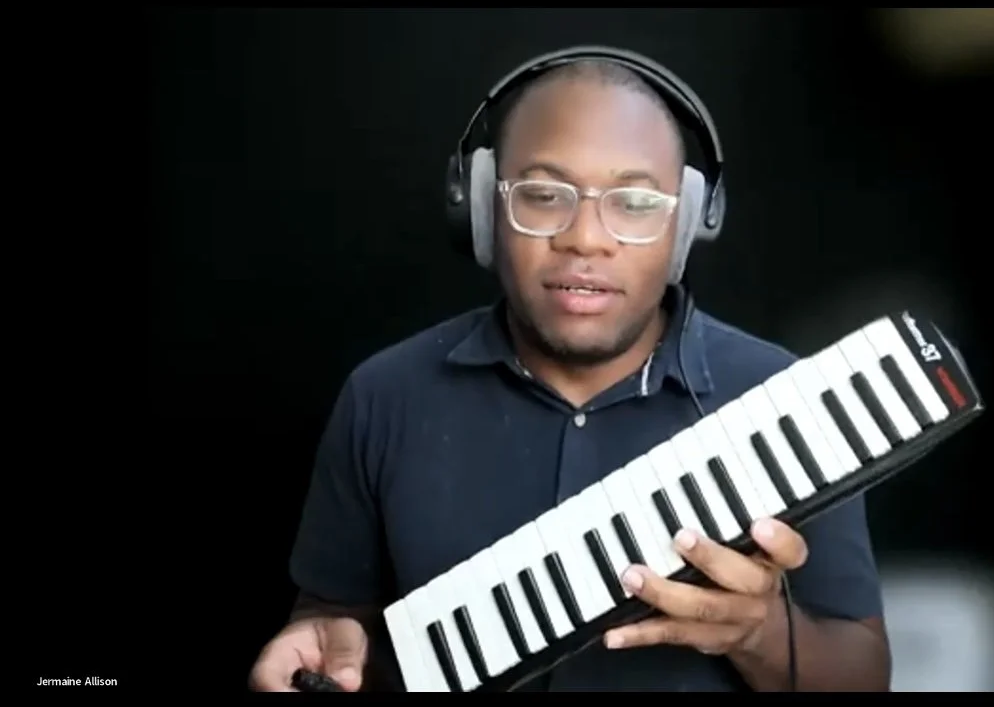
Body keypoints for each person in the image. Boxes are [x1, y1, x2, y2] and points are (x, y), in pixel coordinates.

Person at [248, 49, 891, 692]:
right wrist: (312, 648)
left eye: (636, 201)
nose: (585, 238)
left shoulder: (790, 403)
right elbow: (330, 621)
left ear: (688, 221)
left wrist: (759, 633)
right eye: (543, 194)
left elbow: (865, 677)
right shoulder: (382, 397)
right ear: (481, 208)